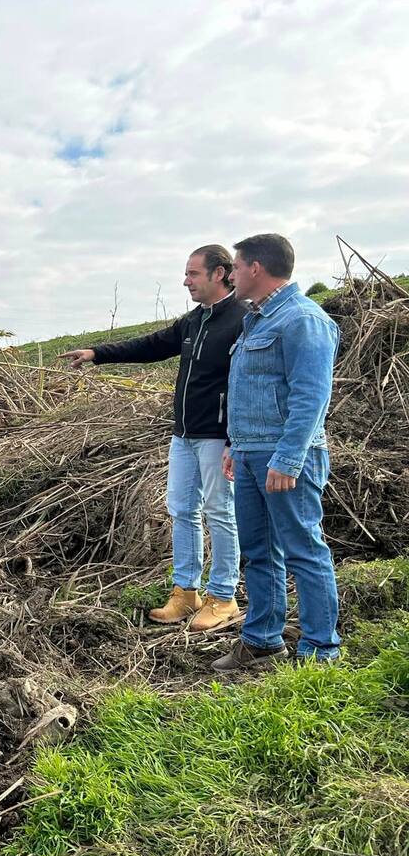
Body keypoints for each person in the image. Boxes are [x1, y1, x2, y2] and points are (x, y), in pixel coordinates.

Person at [61, 246, 246, 630]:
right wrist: (97, 353)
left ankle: (223, 597)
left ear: (219, 273)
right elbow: (151, 346)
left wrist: (235, 437)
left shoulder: (242, 319)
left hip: (218, 436)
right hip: (184, 435)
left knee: (220, 512)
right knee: (182, 510)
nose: (186, 281)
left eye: (193, 273)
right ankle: (186, 592)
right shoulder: (194, 320)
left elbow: (248, 383)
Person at [212, 234, 341, 670]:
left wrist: (287, 459)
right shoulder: (257, 319)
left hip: (285, 457)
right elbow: (250, 390)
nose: (230, 275)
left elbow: (311, 397)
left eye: (235, 266)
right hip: (251, 453)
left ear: (256, 268)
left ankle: (320, 650)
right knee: (259, 551)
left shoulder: (303, 319)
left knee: (303, 549)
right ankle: (263, 641)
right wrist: (236, 444)